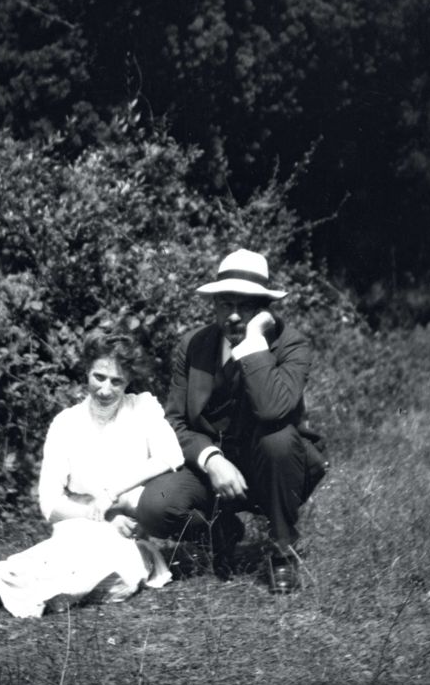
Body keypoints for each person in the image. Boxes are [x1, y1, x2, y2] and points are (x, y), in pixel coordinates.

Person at [135, 249, 327, 594]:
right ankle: (220, 531)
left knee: (278, 439)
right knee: (154, 506)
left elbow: (273, 411)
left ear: (265, 308)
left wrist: (254, 344)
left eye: (248, 305)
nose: (235, 315)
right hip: (212, 469)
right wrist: (211, 460)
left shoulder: (291, 345)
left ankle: (282, 550)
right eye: (226, 304)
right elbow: (174, 422)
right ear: (214, 305)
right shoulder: (193, 345)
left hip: (274, 467)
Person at [0, 332, 184, 618]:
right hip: (81, 524)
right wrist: (99, 515)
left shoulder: (142, 409)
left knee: (112, 568)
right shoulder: (66, 424)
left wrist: (114, 499)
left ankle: (31, 592)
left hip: (128, 529)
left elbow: (171, 456)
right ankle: (8, 585)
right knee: (66, 556)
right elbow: (49, 504)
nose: (106, 390)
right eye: (99, 377)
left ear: (128, 381)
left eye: (117, 381)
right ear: (86, 371)